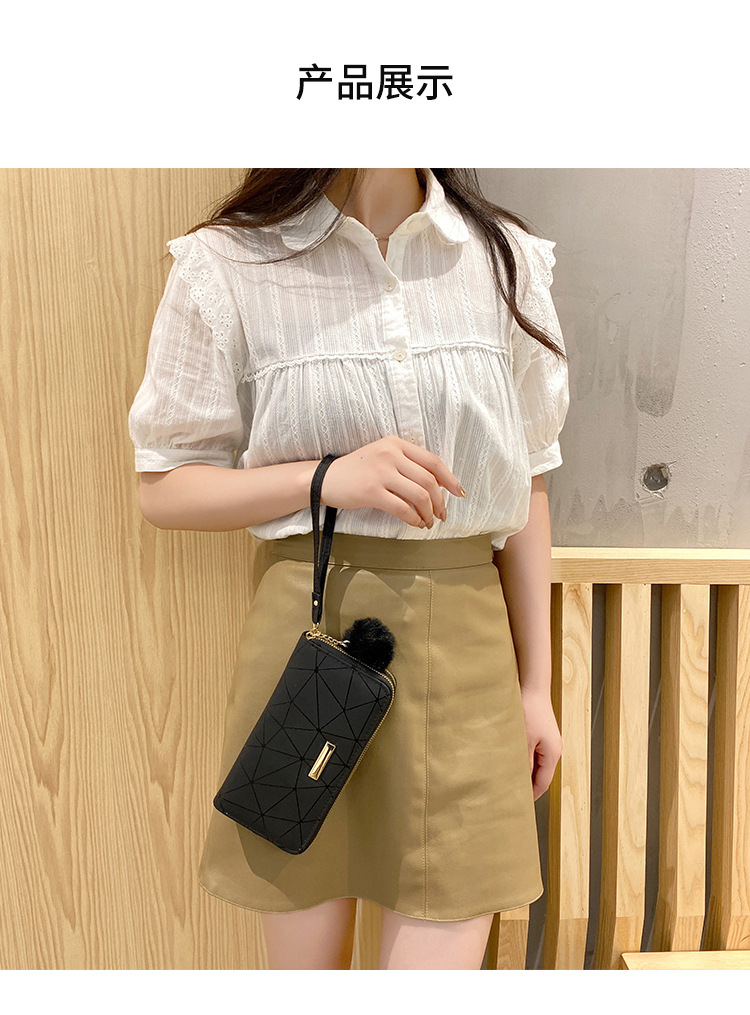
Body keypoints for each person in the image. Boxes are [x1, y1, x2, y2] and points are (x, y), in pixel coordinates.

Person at [127, 168, 570, 970]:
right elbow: (164, 485)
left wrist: (535, 685)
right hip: (310, 643)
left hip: (468, 651)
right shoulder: (227, 264)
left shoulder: (504, 259)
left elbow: (530, 477)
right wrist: (326, 476)